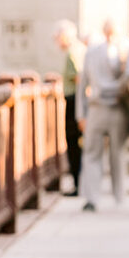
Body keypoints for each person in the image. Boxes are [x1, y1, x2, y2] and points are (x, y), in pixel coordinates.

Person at [78, 18, 129, 211]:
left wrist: (81, 113)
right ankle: (115, 196)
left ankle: (94, 198)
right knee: (112, 153)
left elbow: (83, 84)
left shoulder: (93, 52)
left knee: (100, 153)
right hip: (113, 107)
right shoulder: (126, 50)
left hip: (99, 107)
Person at [53, 19, 86, 196]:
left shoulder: (72, 52)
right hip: (78, 101)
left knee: (73, 142)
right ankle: (80, 182)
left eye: (57, 37)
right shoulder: (80, 49)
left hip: (74, 101)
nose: (56, 41)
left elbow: (79, 79)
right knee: (78, 144)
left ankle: (78, 183)